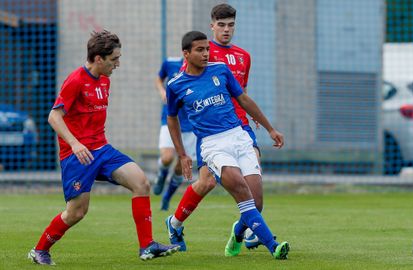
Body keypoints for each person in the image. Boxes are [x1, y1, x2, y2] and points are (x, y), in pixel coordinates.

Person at [27, 30, 179, 266]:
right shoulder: (75, 80)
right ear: (98, 58)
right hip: (77, 156)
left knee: (141, 183)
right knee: (76, 212)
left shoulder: (105, 80)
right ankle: (39, 250)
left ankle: (147, 246)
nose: (118, 64)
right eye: (114, 59)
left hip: (102, 149)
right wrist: (75, 144)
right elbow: (54, 117)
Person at [166, 30, 289, 260]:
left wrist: (270, 128)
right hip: (213, 145)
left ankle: (238, 231)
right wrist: (182, 154)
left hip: (239, 136)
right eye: (200, 50)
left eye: (207, 49)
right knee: (237, 190)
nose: (206, 54)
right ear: (186, 54)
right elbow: (171, 118)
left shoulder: (220, 70)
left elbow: (243, 99)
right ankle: (274, 245)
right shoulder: (176, 85)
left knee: (257, 202)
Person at [153, 57, 196, 211]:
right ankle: (161, 175)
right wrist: (162, 92)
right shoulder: (170, 63)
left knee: (181, 166)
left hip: (190, 126)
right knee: (167, 157)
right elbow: (159, 79)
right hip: (170, 119)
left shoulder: (202, 70)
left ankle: (167, 197)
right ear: (186, 51)